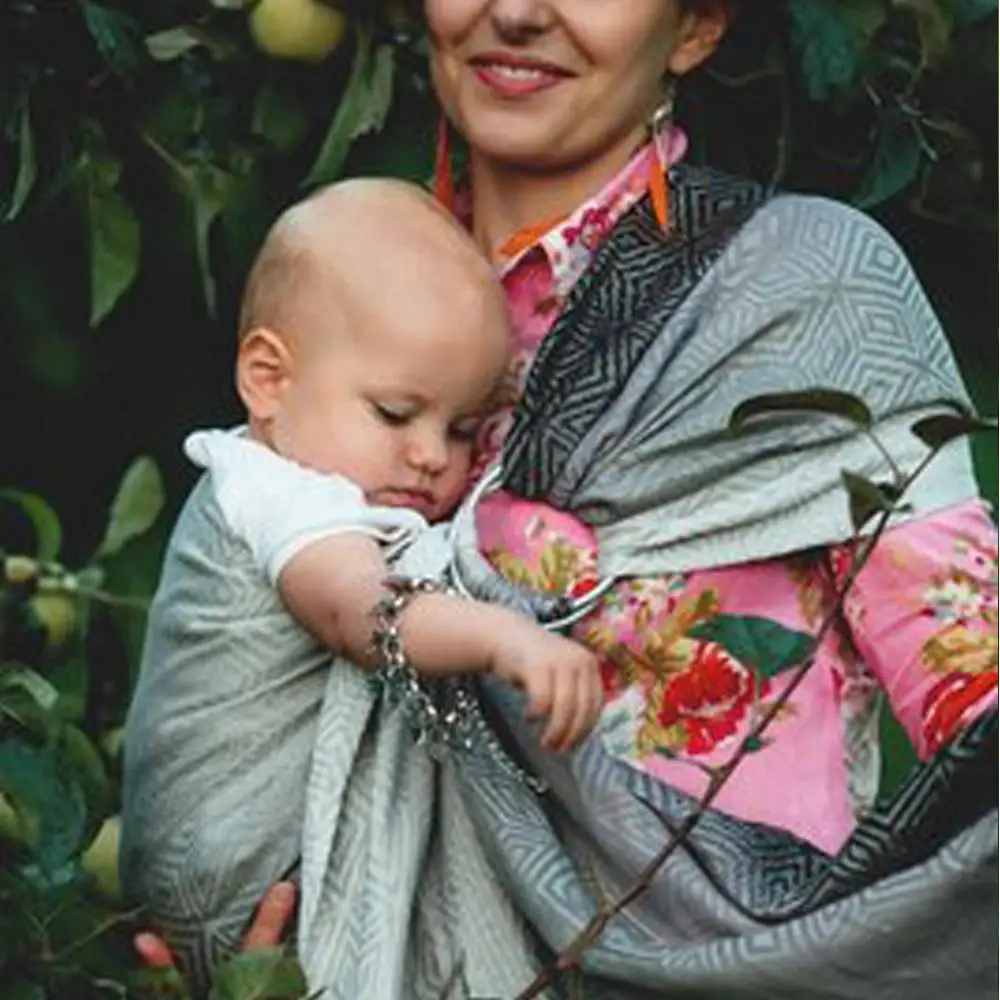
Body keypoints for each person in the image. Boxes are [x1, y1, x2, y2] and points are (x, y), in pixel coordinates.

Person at [136, 1, 998, 997]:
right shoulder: (341, 285)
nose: (514, 11)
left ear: (696, 25)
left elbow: (976, 705)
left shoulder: (800, 296)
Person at [119, 177, 604, 981]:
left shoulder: (312, 476)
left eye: (463, 428)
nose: (432, 456)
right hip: (238, 877)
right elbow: (362, 613)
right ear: (268, 379)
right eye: (393, 413)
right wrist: (504, 638)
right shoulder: (275, 493)